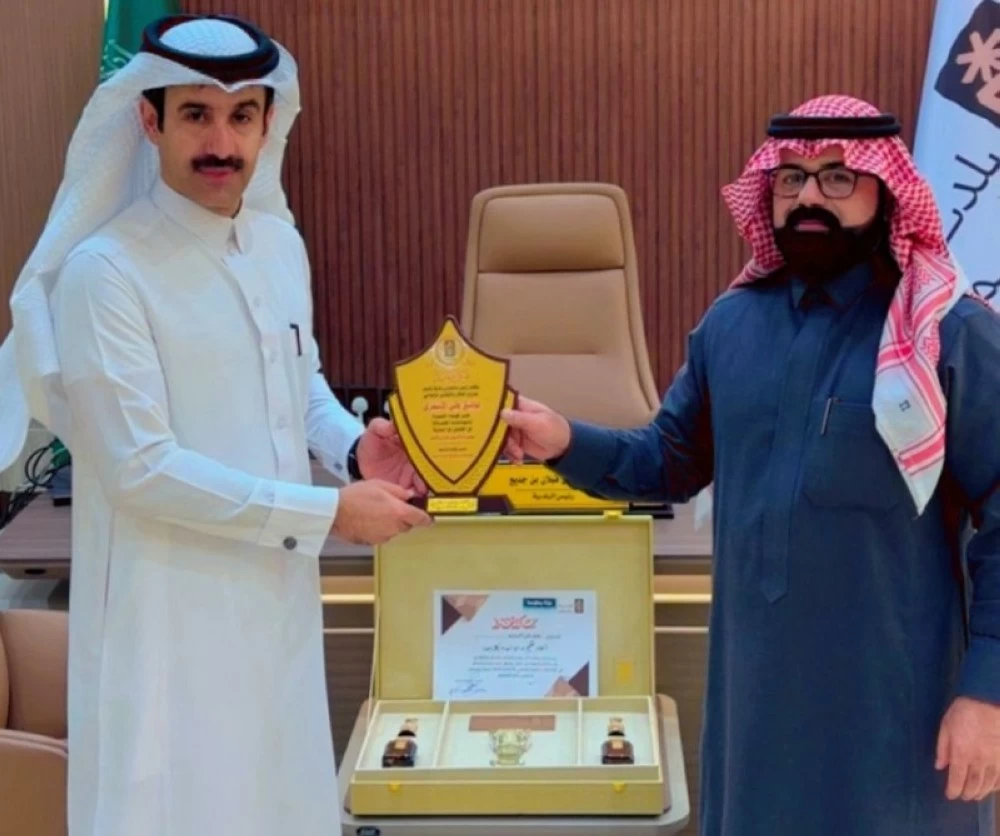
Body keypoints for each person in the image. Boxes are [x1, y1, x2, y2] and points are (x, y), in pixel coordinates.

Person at [501, 95, 1000, 835]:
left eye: (837, 177)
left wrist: (987, 692)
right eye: (790, 177)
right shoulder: (730, 326)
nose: (808, 197)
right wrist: (564, 440)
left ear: (887, 191)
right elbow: (667, 462)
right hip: (755, 715)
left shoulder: (945, 333)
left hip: (897, 717)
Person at [0, 13, 431, 836]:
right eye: (196, 114)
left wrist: (351, 448)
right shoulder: (105, 272)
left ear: (269, 125)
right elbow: (139, 467)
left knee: (278, 794)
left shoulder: (277, 244)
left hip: (275, 598)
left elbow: (299, 381)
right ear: (149, 120)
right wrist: (330, 514)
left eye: (241, 116)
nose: (221, 143)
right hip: (169, 612)